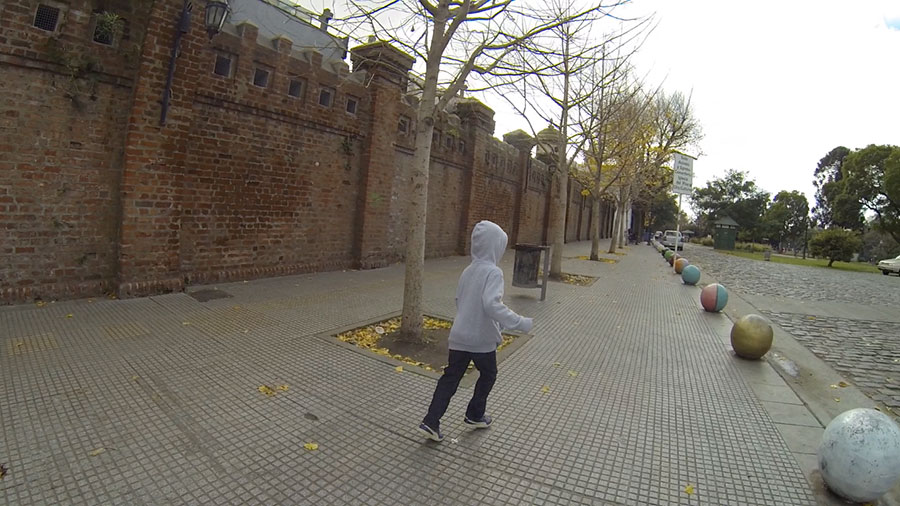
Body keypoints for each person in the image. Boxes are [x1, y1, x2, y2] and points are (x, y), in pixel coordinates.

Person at [418, 220, 534, 442]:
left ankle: (431, 421)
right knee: (489, 374)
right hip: (481, 341)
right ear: (494, 247)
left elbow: (459, 300)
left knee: (450, 378)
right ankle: (474, 414)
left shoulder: (468, 270)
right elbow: (492, 305)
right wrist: (519, 322)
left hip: (459, 337)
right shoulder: (494, 273)